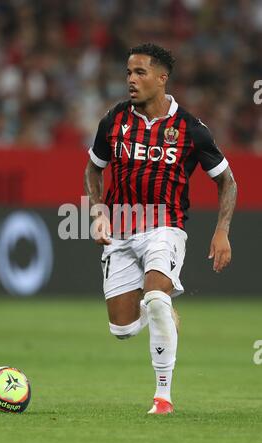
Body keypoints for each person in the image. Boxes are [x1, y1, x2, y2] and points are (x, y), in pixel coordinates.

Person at [84, 43, 237, 414]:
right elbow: (93, 168)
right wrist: (98, 212)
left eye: (139, 73)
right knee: (121, 330)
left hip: (164, 226)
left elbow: (227, 181)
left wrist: (222, 231)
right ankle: (163, 310)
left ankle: (163, 396)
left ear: (161, 78)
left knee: (154, 296)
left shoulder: (190, 129)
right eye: (128, 73)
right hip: (120, 229)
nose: (131, 80)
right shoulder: (115, 120)